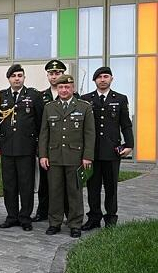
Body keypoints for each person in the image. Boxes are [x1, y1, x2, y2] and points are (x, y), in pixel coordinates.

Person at [39, 74, 95, 238]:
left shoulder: (84, 107)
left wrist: (87, 157)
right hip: (54, 156)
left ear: (73, 88)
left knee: (75, 192)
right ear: (57, 88)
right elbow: (44, 133)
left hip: (76, 157)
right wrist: (43, 155)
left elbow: (90, 134)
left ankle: (75, 224)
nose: (64, 90)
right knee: (54, 191)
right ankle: (54, 223)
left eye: (67, 87)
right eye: (61, 87)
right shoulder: (49, 107)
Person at [0, 64, 44, 231]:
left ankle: (25, 217)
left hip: (26, 148)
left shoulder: (34, 96)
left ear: (24, 78)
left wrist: (38, 147)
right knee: (9, 185)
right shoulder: (1, 96)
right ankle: (11, 216)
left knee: (26, 185)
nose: (17, 78)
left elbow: (40, 123)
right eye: (13, 75)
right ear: (9, 78)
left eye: (20, 75)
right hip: (7, 148)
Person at [81, 67, 133, 230]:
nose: (102, 79)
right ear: (94, 80)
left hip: (112, 151)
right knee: (92, 187)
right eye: (99, 77)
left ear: (111, 79)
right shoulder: (85, 99)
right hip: (92, 152)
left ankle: (111, 218)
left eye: (106, 76)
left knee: (111, 187)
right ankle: (94, 218)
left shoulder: (121, 99)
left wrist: (129, 144)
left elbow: (125, 124)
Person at [33, 60, 75, 222]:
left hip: (67, 148)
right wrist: (40, 148)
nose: (54, 76)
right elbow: (37, 125)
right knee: (45, 182)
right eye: (51, 73)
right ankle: (43, 211)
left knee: (67, 183)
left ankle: (67, 212)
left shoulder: (73, 97)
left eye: (58, 73)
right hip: (47, 147)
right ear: (47, 76)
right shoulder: (40, 97)